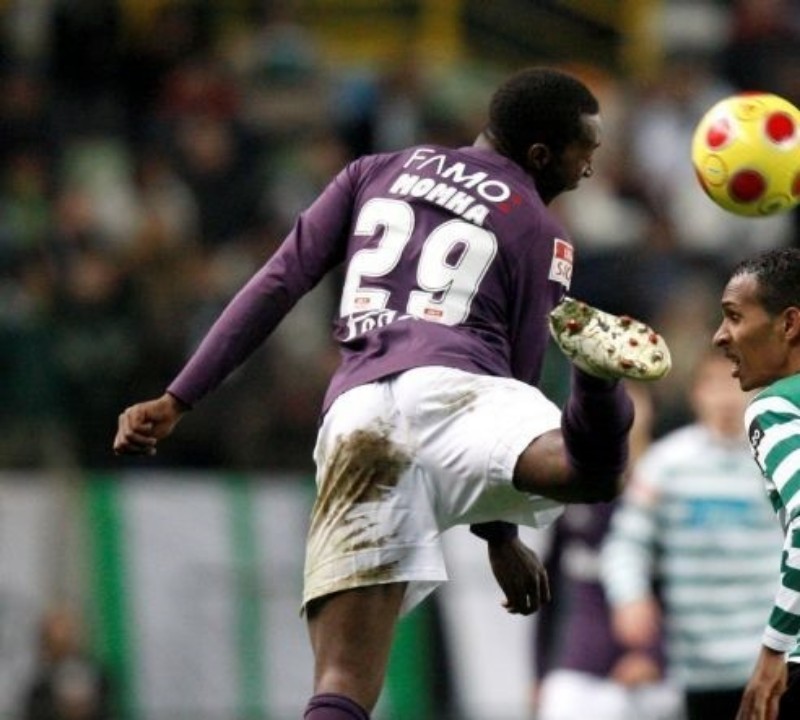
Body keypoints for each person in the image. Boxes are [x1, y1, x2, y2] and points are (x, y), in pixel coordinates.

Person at [113, 67, 663, 719]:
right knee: (591, 469)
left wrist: (178, 397)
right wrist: (500, 531)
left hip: (358, 416)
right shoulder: (542, 233)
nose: (590, 168)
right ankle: (597, 380)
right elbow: (510, 381)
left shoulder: (372, 171)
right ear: (542, 156)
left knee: (343, 682)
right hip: (462, 385)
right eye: (586, 152)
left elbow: (278, 282)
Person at [601, 350, 781, 720]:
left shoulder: (781, 459)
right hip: (698, 666)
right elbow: (625, 544)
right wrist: (629, 596)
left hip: (771, 661)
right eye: (713, 384)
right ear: (696, 393)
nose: (726, 398)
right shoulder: (665, 465)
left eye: (736, 384)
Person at [533, 382, 684, 720]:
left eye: (630, 399)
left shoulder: (675, 484)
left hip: (656, 678)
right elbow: (548, 586)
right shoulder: (573, 486)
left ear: (651, 409)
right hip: (578, 672)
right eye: (606, 399)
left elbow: (693, 585)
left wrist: (655, 656)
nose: (618, 410)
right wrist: (539, 671)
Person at [712, 247, 800, 720]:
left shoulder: (778, 408)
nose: (719, 336)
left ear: (788, 324)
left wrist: (773, 651)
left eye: (733, 317)